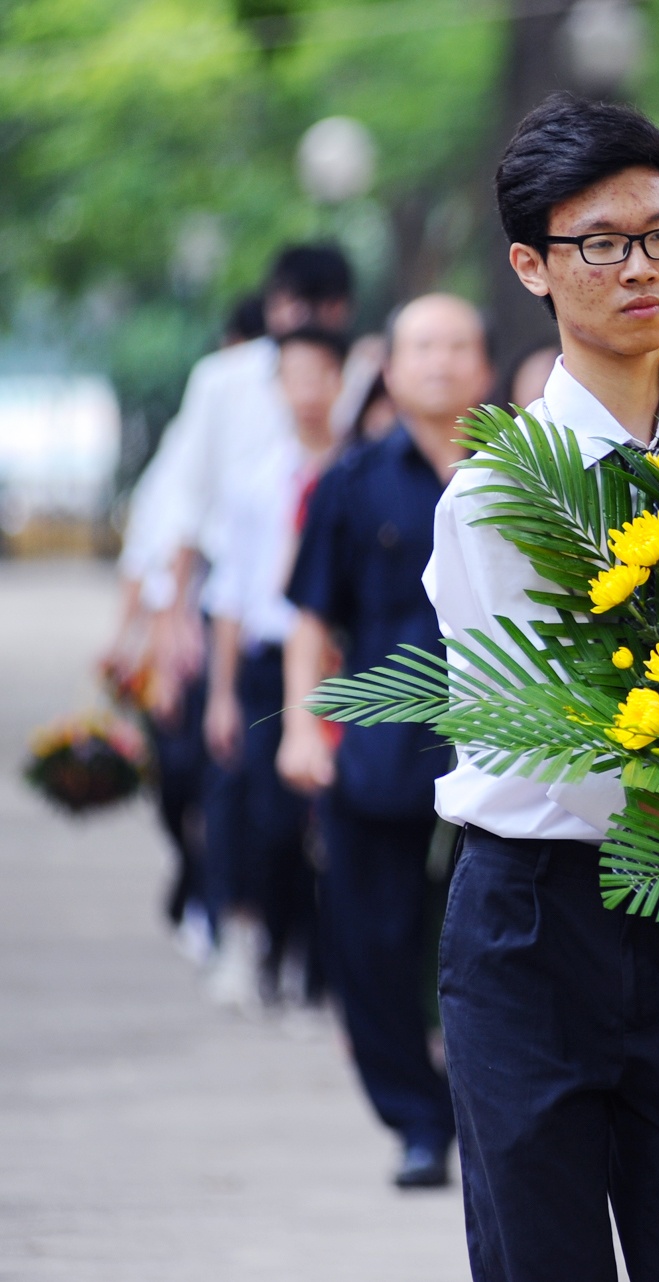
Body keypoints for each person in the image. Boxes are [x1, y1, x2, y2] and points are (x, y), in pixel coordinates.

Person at [425, 94, 659, 1279]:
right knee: (545, 1257)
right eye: (600, 243)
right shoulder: (505, 490)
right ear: (532, 265)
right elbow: (560, 735)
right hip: (539, 921)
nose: (640, 268)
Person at [279, 294, 491, 1187]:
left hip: (503, 749)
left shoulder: (522, 476)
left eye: (457, 346)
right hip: (380, 749)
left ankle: (491, 1113)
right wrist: (300, 726)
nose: (440, 362)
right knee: (369, 944)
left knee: (490, 944)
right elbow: (310, 618)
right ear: (392, 371)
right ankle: (415, 1121)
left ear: (484, 367)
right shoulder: (352, 482)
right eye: (422, 347)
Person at [109, 245, 354, 998]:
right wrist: (165, 618)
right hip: (232, 614)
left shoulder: (357, 398)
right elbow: (180, 505)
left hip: (328, 641)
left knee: (304, 809)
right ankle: (225, 921)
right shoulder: (224, 384)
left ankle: (297, 953)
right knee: (223, 783)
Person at [201, 326, 349, 1005]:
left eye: (320, 375)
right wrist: (222, 693)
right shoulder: (254, 481)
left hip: (342, 666)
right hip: (268, 665)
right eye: (295, 377)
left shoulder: (355, 474)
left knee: (332, 818)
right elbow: (231, 593)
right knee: (268, 816)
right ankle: (260, 944)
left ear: (339, 382)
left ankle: (314, 966)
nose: (308, 391)